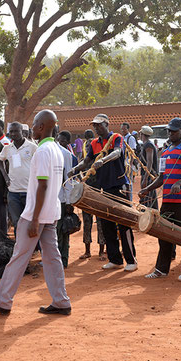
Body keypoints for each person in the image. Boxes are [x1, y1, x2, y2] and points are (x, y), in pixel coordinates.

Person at [0, 109, 71, 315]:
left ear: (41, 126)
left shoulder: (42, 151)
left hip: (36, 214)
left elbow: (43, 187)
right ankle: (61, 301)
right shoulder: (56, 149)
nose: (34, 127)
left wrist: (34, 219)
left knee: (19, 256)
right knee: (52, 257)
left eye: (36, 123)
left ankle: (3, 300)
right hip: (51, 213)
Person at [70, 114, 138, 272]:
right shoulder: (93, 143)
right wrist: (76, 169)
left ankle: (131, 260)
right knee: (106, 224)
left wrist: (103, 160)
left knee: (124, 223)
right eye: (94, 125)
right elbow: (87, 161)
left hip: (119, 186)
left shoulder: (116, 138)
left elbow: (118, 152)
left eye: (99, 125)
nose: (96, 128)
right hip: (103, 188)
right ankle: (115, 259)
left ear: (107, 124)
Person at [139, 118, 181, 281]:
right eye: (169, 131)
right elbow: (161, 178)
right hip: (168, 199)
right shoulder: (165, 152)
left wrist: (179, 183)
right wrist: (147, 189)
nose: (170, 133)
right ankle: (161, 268)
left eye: (173, 131)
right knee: (164, 234)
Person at [0, 121, 37, 232]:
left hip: (29, 191)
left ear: (22, 132)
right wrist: (5, 176)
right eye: (11, 132)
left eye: (16, 131)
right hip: (13, 192)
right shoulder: (7, 148)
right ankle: (20, 248)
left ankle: (34, 248)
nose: (13, 134)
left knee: (30, 222)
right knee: (17, 223)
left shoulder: (32, 147)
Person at [79, 129, 106, 260]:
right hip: (88, 190)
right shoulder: (85, 163)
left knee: (94, 220)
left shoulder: (99, 161)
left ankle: (94, 250)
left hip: (97, 190)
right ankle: (97, 251)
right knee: (92, 220)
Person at [56, 130, 77, 268]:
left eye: (63, 141)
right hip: (50, 199)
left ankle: (63, 259)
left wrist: (69, 202)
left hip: (62, 200)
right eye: (59, 140)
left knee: (63, 230)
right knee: (53, 232)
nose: (60, 142)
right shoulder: (47, 151)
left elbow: (69, 180)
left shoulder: (67, 155)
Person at [139, 125, 158, 209]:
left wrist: (145, 178)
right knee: (152, 198)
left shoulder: (148, 145)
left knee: (147, 199)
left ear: (142, 134)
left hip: (149, 175)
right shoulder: (147, 144)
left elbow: (149, 162)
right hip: (150, 175)